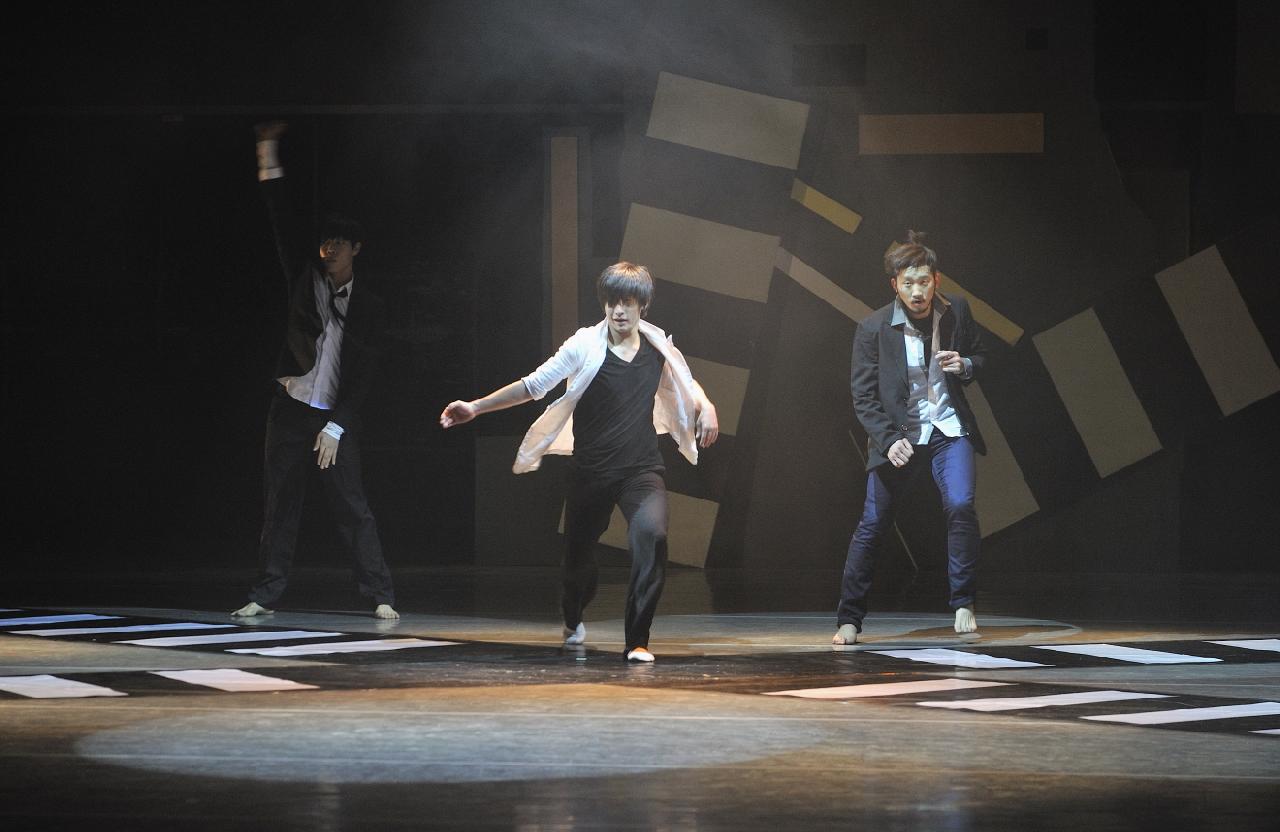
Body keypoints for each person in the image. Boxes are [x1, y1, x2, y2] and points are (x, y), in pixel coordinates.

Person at [440, 263, 718, 661]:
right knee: (577, 562)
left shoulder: (657, 346)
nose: (619, 310)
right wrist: (476, 407)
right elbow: (533, 385)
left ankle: (637, 641)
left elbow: (685, 380)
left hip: (640, 470)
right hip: (591, 472)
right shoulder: (584, 345)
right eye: (612, 302)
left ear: (642, 305)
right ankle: (572, 615)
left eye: (628, 302)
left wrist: (706, 406)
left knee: (652, 536)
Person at [231, 121, 398, 620]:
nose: (330, 249)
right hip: (290, 408)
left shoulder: (370, 305)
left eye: (340, 243)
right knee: (280, 503)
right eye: (326, 242)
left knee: (352, 505)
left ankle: (380, 593)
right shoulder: (305, 280)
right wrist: (267, 154)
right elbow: (280, 219)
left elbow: (366, 376)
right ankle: (265, 594)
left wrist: (337, 425)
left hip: (334, 416)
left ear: (356, 249)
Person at [834, 231, 988, 644]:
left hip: (948, 428)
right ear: (895, 285)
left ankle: (963, 602)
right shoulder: (873, 328)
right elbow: (863, 396)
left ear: (936, 280)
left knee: (961, 505)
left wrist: (965, 364)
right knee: (873, 523)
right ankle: (849, 618)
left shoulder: (956, 310)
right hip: (900, 436)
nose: (917, 292)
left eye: (923, 282)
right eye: (908, 284)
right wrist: (888, 440)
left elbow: (981, 356)